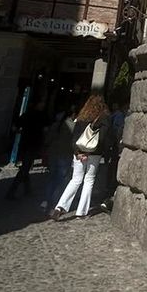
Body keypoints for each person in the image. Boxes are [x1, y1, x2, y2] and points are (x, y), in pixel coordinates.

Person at [51, 93, 113, 221]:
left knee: (75, 180)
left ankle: (60, 207)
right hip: (94, 154)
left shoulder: (82, 116)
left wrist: (78, 152)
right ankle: (81, 211)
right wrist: (97, 153)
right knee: (89, 180)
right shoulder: (104, 118)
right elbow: (102, 139)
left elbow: (74, 137)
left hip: (79, 152)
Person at [41, 104, 78, 212]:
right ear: (73, 115)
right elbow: (74, 142)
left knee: (52, 178)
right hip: (65, 155)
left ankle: (46, 201)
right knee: (61, 179)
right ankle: (55, 203)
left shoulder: (56, 125)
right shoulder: (72, 127)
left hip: (53, 153)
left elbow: (47, 139)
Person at [4, 105, 45, 201]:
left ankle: (27, 190)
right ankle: (12, 191)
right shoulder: (41, 116)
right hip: (33, 144)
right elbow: (45, 130)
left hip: (24, 144)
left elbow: (15, 127)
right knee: (25, 168)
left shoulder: (25, 115)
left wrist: (21, 132)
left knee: (25, 167)